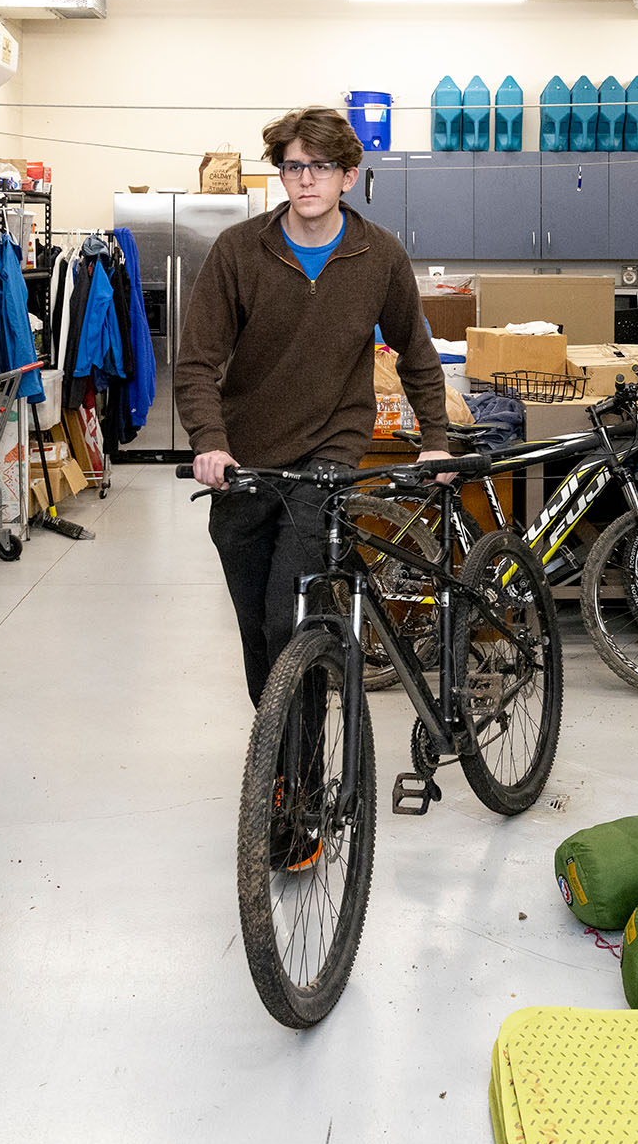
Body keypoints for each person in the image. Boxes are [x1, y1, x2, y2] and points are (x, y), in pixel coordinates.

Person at [177, 106, 452, 706]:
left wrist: (436, 439)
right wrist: (209, 442)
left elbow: (416, 352)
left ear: (348, 176)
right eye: (293, 166)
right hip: (246, 459)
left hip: (330, 450)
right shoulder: (238, 251)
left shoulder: (379, 254)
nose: (306, 180)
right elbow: (197, 363)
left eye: (321, 167)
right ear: (280, 173)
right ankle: (280, 753)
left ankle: (305, 777)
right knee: (256, 633)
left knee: (288, 614)